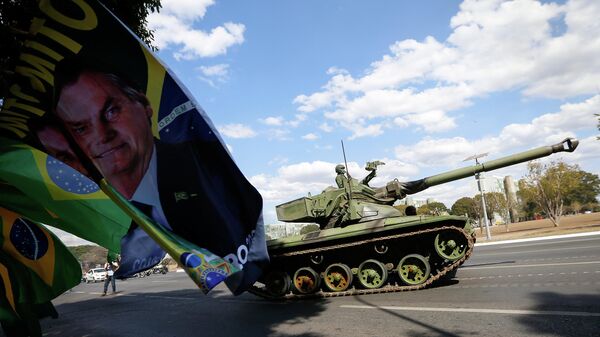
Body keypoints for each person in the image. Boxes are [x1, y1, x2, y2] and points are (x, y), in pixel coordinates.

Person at [53, 67, 266, 287]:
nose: (102, 136)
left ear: (145, 106)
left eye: (111, 111)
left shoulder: (201, 166)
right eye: (80, 128)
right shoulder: (113, 199)